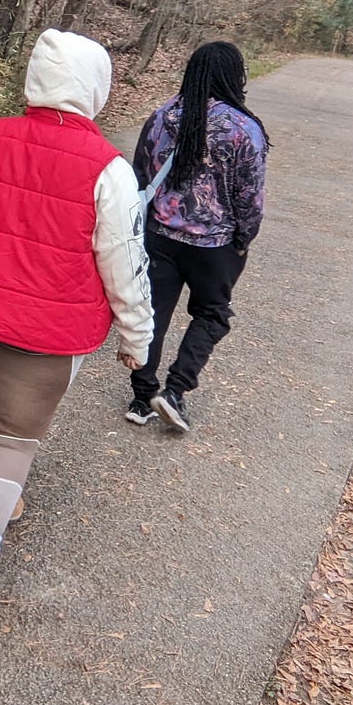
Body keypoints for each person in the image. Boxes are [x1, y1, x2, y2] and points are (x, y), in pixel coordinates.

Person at [0, 28, 153, 624]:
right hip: (51, 331)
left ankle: (1, 496)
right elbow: (125, 261)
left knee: (7, 416)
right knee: (10, 434)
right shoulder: (110, 171)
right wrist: (135, 335)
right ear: (94, 88)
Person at [125, 40, 269, 433]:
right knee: (212, 314)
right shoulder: (243, 128)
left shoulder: (162, 116)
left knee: (153, 315)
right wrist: (244, 238)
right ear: (235, 77)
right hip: (216, 246)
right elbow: (249, 195)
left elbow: (139, 174)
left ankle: (142, 397)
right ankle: (175, 390)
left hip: (160, 238)